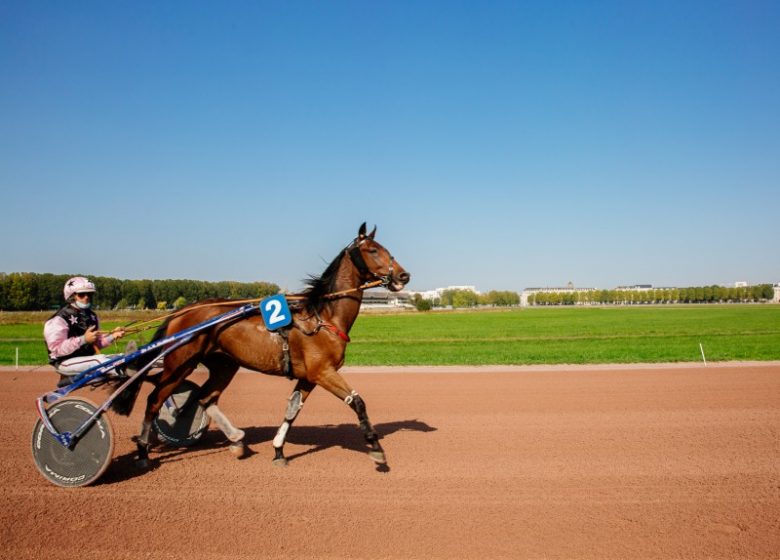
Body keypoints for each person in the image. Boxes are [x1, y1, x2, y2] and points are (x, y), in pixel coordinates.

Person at [44, 276, 128, 384]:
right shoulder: (59, 319)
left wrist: (113, 336)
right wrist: (83, 339)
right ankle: (118, 374)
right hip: (64, 362)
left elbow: (97, 343)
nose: (86, 297)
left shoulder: (92, 316)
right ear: (71, 296)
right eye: (81, 295)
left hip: (86, 359)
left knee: (122, 357)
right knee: (100, 360)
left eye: (89, 294)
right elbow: (56, 349)